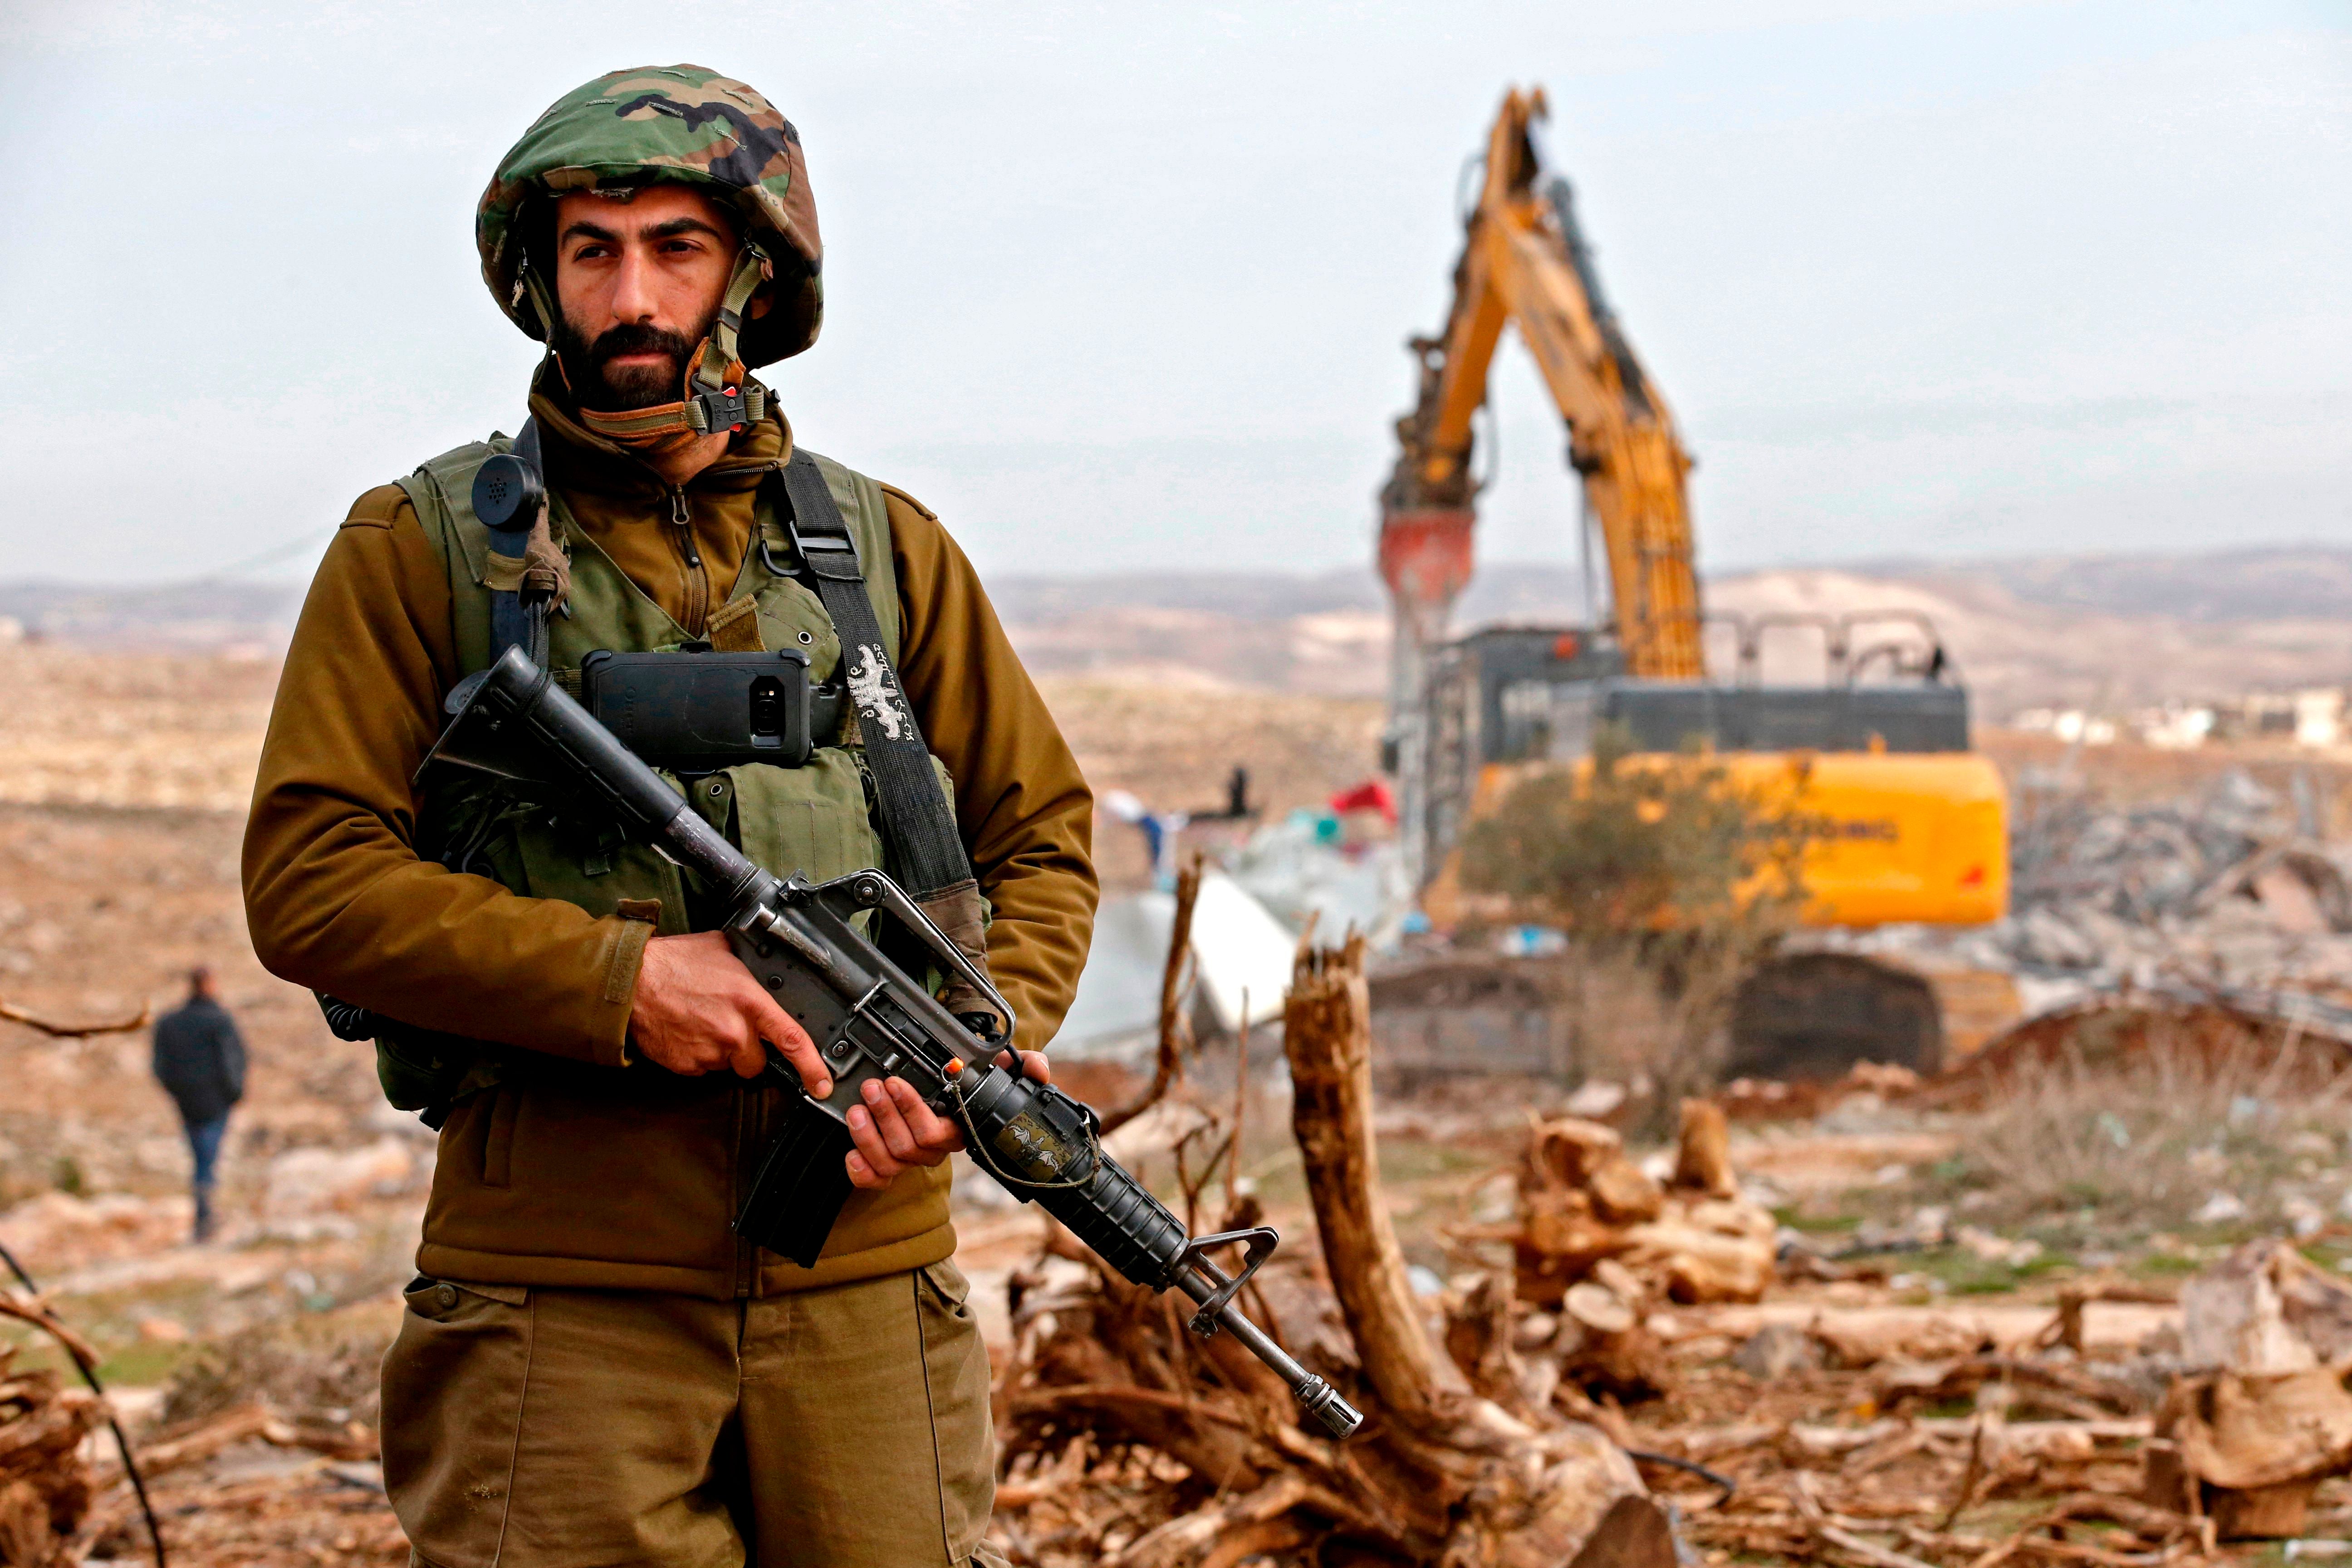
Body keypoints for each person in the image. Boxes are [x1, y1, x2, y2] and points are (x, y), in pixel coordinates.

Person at [240, 66, 1097, 1568]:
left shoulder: (885, 555)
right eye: (593, 250)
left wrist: (963, 1043)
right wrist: (622, 982)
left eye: (674, 249)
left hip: (861, 1291)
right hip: (556, 1307)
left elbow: (1043, 837)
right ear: (544, 278)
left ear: (752, 274)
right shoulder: (423, 546)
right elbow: (310, 878)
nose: (630, 293)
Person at [150, 966, 245, 1243]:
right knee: (207, 1159)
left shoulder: (171, 1021)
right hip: (215, 1101)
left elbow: (160, 1066)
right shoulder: (219, 1020)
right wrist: (234, 1094)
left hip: (187, 1100)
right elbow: (232, 1060)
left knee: (201, 1157)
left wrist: (176, 1090)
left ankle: (205, 1216)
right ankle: (206, 1219)